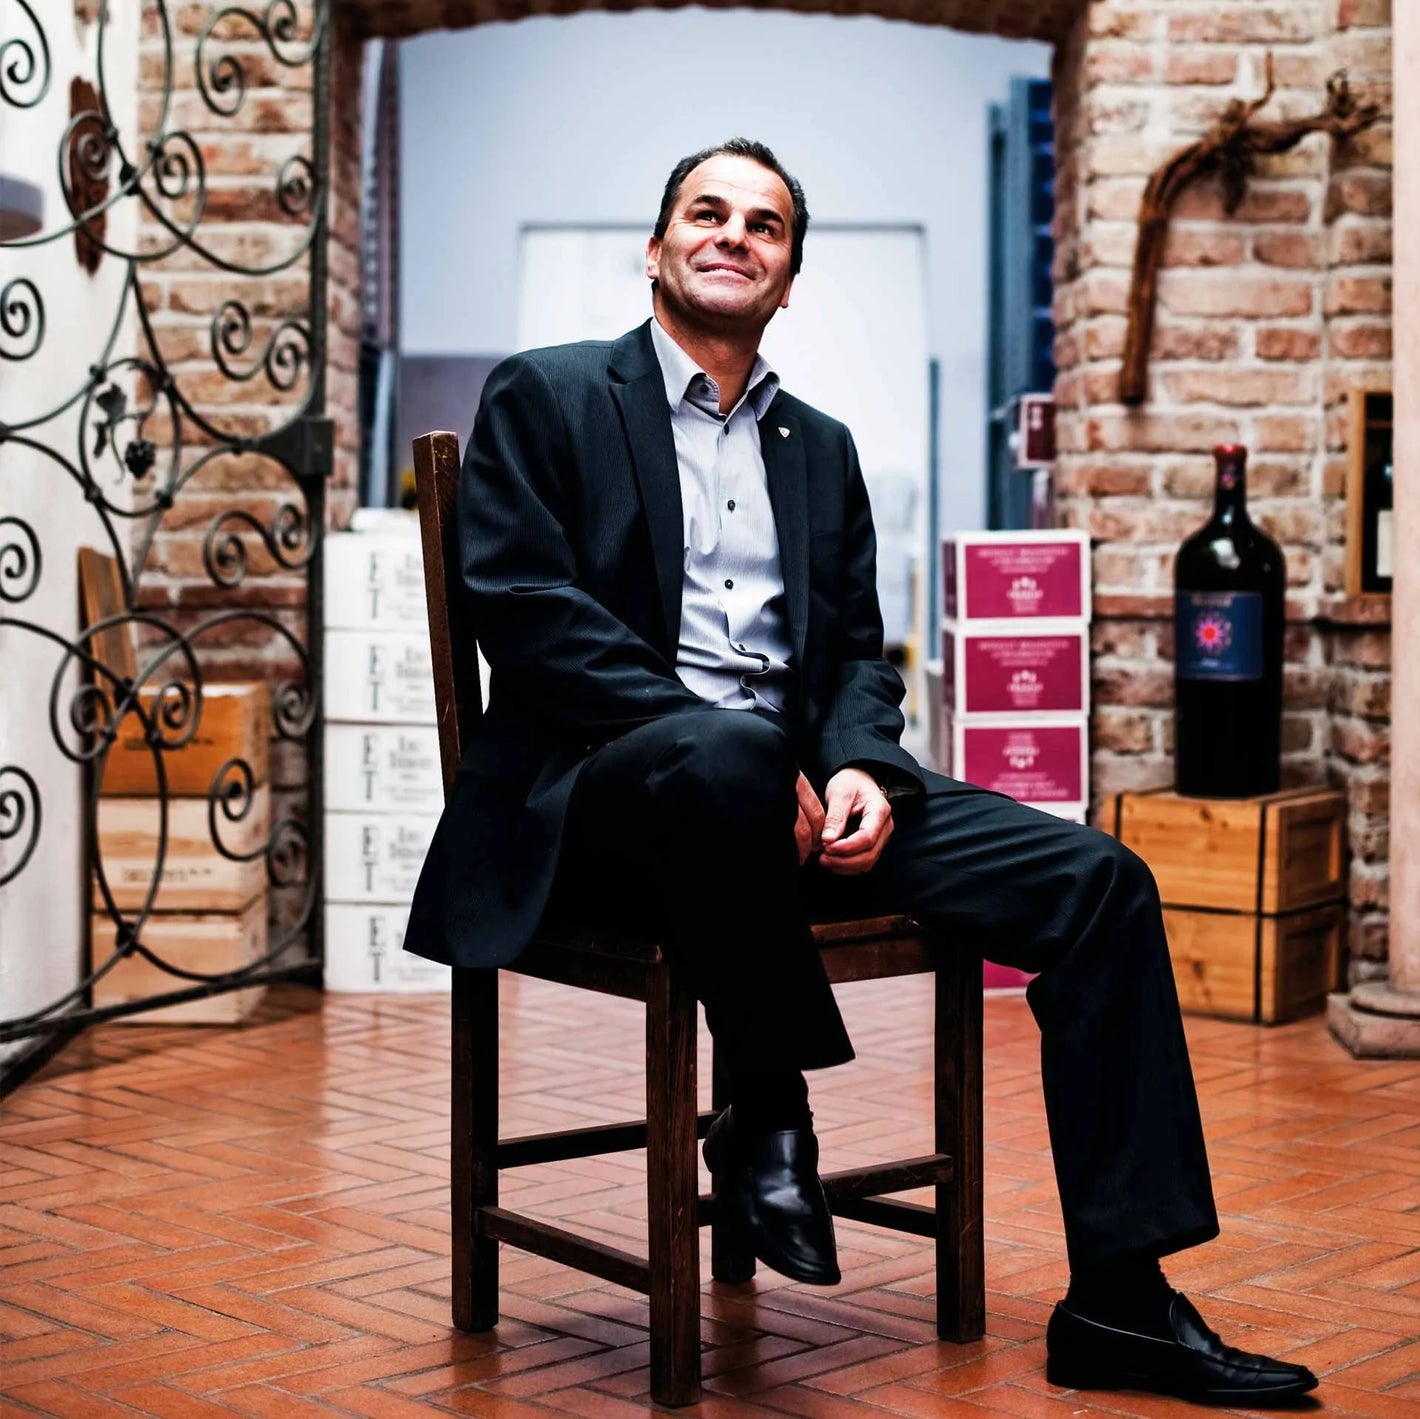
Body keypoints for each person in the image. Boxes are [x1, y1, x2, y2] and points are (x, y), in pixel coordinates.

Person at [404, 137, 1317, 1407]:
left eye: (764, 225)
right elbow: (525, 613)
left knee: (1098, 881)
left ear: (787, 280)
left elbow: (852, 660)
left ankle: (1118, 1298)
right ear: (656, 250)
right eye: (706, 213)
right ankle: (769, 1108)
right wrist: (730, 747)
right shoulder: (548, 394)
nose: (733, 235)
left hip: (785, 806)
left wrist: (862, 772)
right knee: (726, 751)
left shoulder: (819, 448)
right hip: (603, 806)